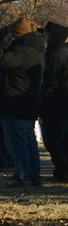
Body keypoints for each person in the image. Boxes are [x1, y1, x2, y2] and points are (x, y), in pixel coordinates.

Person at [0, 17, 45, 187]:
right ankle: (33, 175)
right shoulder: (37, 49)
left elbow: (2, 62)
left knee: (17, 142)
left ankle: (22, 175)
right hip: (29, 101)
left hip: (15, 102)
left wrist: (3, 44)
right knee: (29, 140)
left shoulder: (20, 50)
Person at [43, 21, 68, 182]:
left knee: (57, 139)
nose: (43, 37)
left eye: (45, 34)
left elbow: (51, 81)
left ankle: (63, 169)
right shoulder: (58, 52)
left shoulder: (57, 54)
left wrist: (43, 100)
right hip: (59, 103)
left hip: (57, 104)